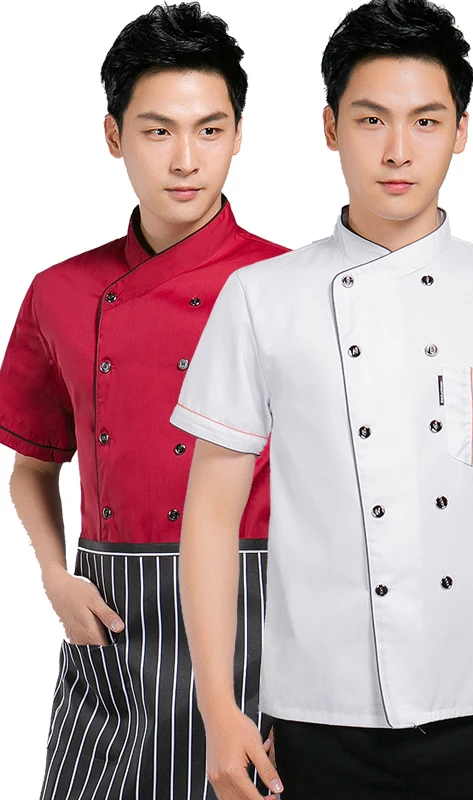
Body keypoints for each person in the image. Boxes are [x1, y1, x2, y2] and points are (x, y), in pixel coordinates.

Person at [170, 1, 473, 799]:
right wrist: (218, 707)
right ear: (330, 127)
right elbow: (210, 512)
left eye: (427, 121)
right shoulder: (260, 299)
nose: (398, 151)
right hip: (317, 711)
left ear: (462, 130)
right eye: (371, 119)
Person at [0, 4, 287, 798]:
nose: (186, 160)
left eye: (210, 130)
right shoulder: (59, 292)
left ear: (238, 135)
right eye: (158, 131)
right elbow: (33, 467)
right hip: (109, 619)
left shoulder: (291, 285)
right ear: (113, 134)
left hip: (260, 617)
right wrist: (56, 577)